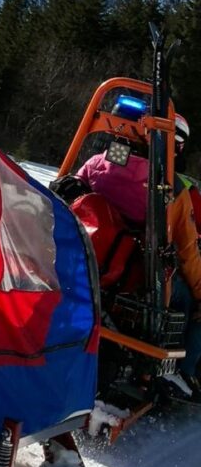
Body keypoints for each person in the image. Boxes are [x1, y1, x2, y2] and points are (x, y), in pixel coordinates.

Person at [75, 116, 201, 400]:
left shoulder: (99, 162)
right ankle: (183, 372)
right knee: (187, 298)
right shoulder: (171, 189)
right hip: (136, 278)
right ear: (175, 146)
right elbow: (188, 250)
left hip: (83, 259)